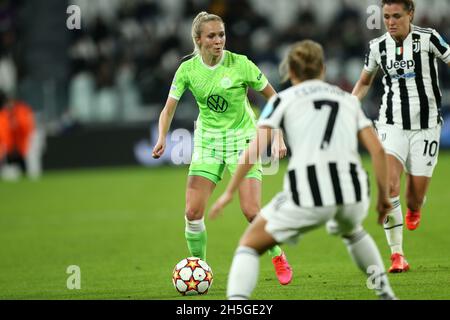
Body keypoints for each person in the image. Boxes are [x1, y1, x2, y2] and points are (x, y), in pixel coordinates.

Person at [209, 40, 397, 300]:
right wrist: (385, 198)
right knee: (353, 232)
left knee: (249, 246)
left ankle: (236, 302)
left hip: (309, 193)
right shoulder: (346, 99)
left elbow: (253, 151)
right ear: (323, 69)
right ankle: (386, 293)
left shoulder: (282, 101)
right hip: (353, 191)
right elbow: (377, 150)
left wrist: (229, 192)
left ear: (291, 72)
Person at [151, 11, 293, 285]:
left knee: (251, 210)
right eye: (212, 36)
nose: (218, 41)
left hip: (242, 140)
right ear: (198, 39)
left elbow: (274, 100)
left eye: (221, 35)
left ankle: (277, 254)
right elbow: (168, 109)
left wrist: (278, 137)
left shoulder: (241, 64)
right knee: (192, 212)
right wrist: (161, 137)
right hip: (207, 142)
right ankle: (199, 268)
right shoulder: (188, 70)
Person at [352, 0, 450, 273]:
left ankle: (415, 206)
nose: (391, 21)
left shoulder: (429, 39)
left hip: (427, 126)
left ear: (410, 14)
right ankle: (397, 256)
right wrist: (349, 107)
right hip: (390, 123)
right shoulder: (377, 47)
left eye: (396, 16)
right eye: (386, 17)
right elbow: (364, 82)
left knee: (413, 198)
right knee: (390, 184)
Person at [0, 90, 35, 178]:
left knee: (28, 162)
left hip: (23, 142)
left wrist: (17, 123)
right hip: (9, 145)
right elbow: (3, 132)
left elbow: (28, 127)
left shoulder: (22, 110)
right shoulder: (4, 114)